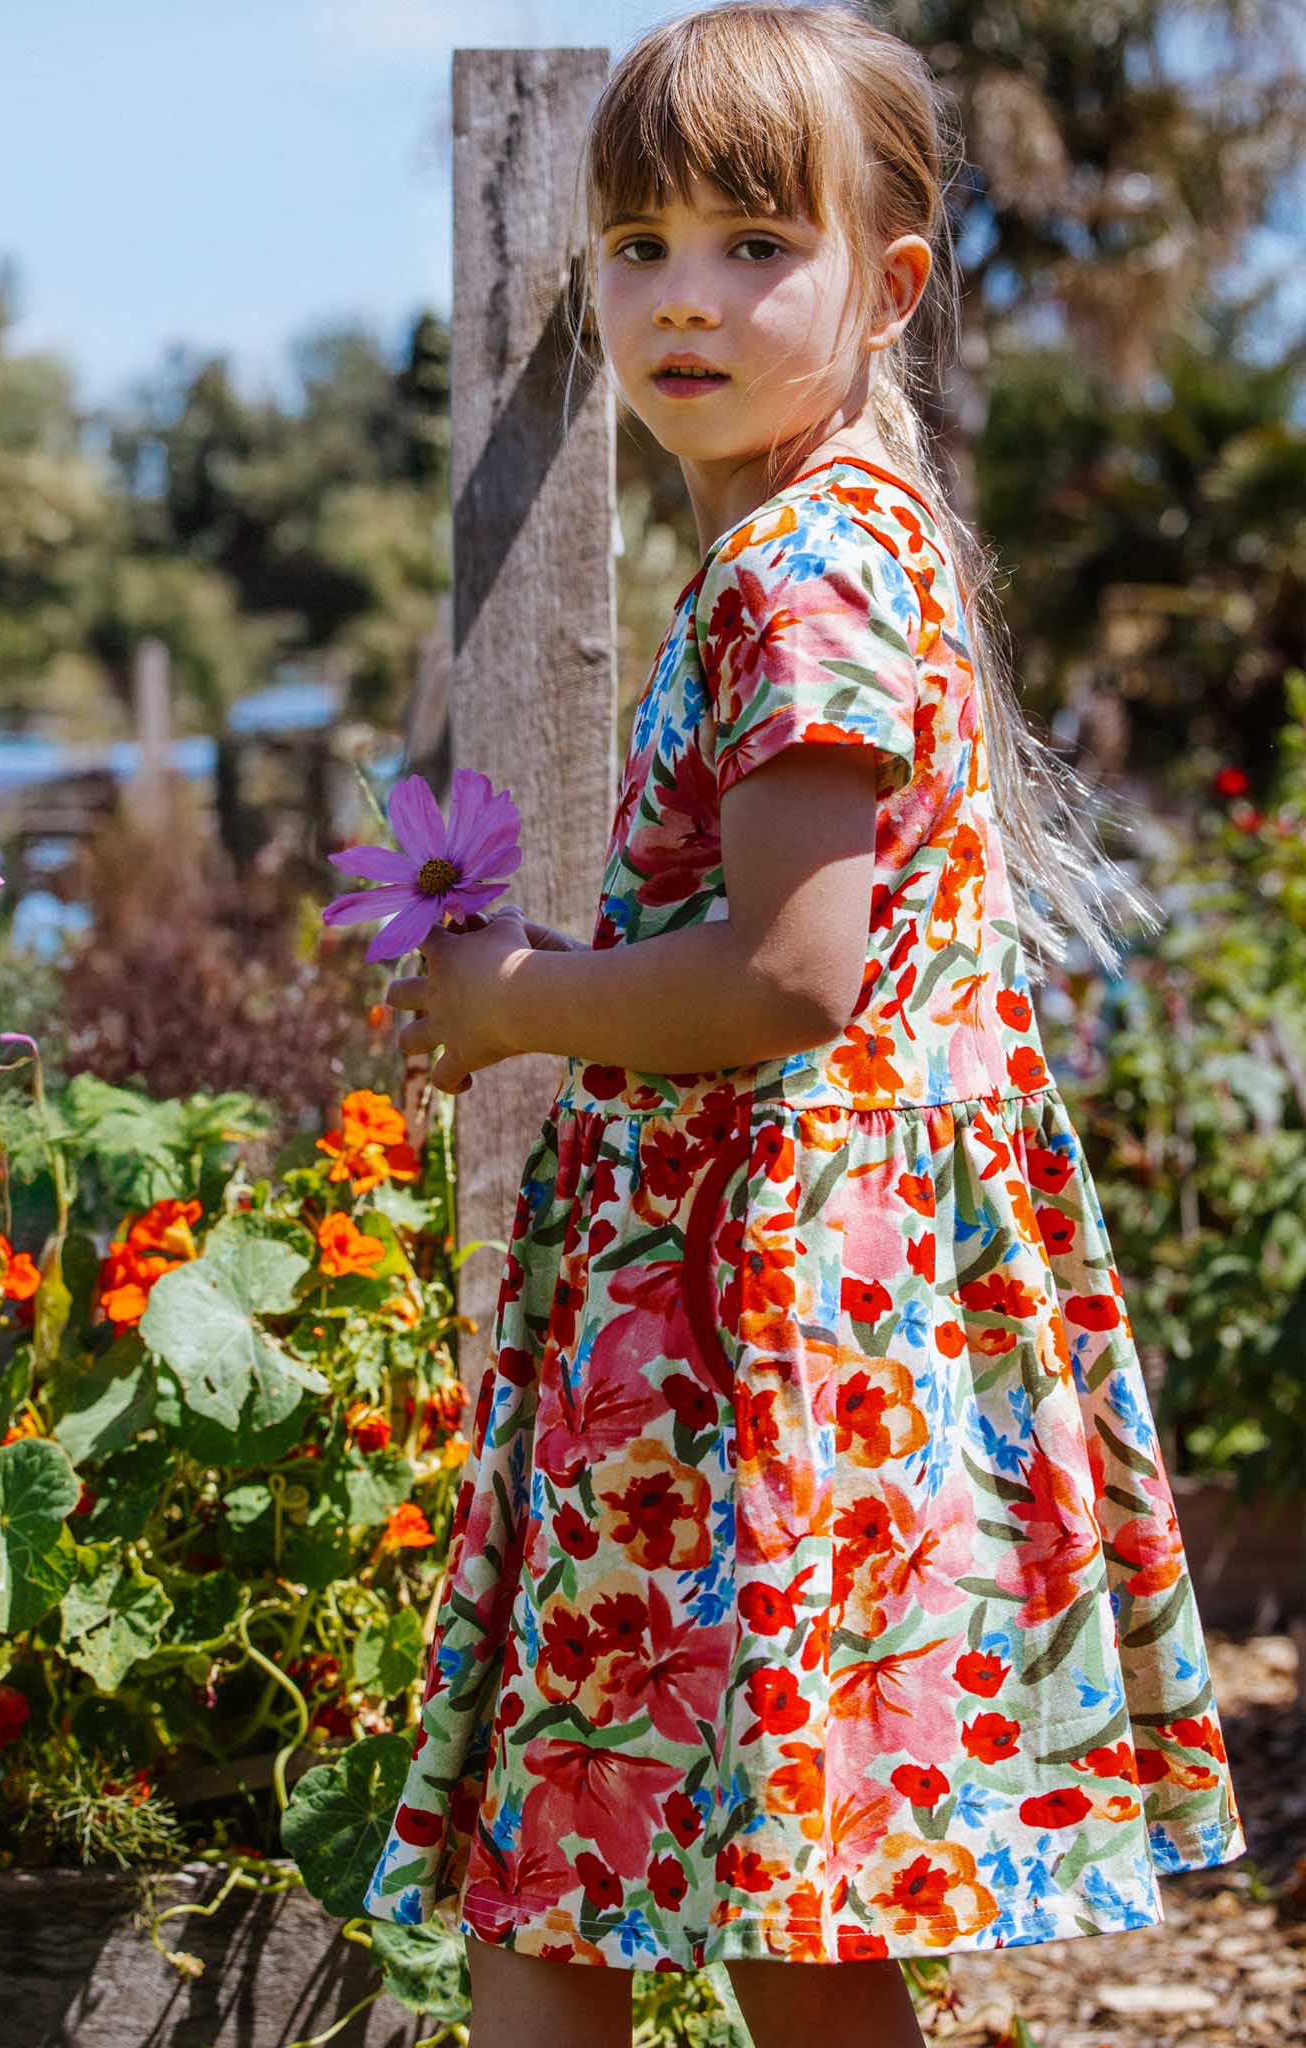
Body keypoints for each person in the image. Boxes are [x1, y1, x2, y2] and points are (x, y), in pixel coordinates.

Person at [358, 6, 1247, 2043]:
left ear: (889, 282)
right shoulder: (838, 536)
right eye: (642, 243)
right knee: (778, 1896)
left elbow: (790, 971)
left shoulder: (805, 570)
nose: (688, 297)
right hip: (786, 1323)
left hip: (748, 1333)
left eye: (759, 243)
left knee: (564, 1878)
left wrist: (512, 1000)